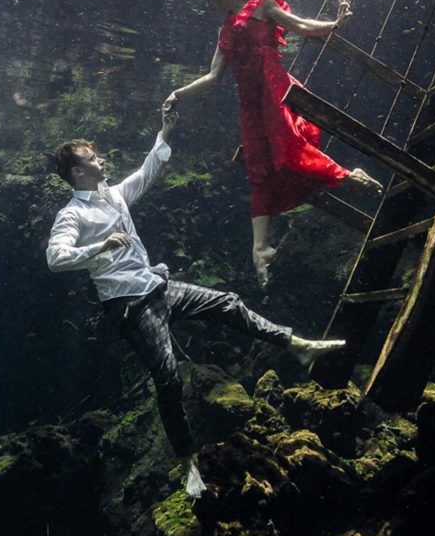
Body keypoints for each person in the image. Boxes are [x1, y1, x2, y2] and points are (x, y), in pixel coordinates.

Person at [46, 107, 346, 498]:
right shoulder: (73, 214)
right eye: (93, 159)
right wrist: (99, 246)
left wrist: (166, 132)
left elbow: (147, 172)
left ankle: (297, 345)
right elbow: (55, 258)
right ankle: (188, 464)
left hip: (157, 286)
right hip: (130, 307)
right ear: (78, 173)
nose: (101, 161)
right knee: (168, 377)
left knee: (228, 303)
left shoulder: (114, 196)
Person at [165, 0, 383, 286]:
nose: (206, 4)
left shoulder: (263, 5)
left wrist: (336, 25)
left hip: (276, 92)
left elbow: (301, 26)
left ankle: (347, 176)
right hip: (251, 104)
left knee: (289, 155)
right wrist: (177, 94)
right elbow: (213, 76)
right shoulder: (225, 29)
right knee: (259, 169)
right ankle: (260, 248)